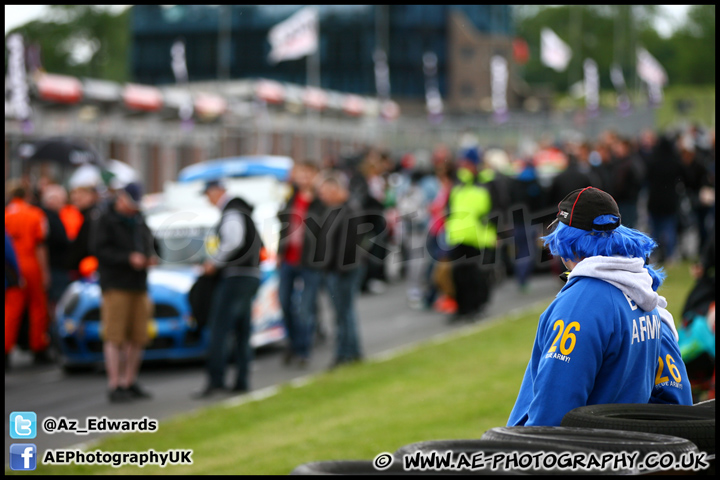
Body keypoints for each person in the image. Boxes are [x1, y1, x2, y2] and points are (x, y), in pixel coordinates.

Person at [508, 187, 691, 427]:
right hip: (623, 455)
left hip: (576, 458)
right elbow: (677, 403)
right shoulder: (647, 299)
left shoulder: (579, 306)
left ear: (567, 240)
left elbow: (551, 415)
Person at [193, 179, 262, 398]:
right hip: (249, 274)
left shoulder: (232, 212)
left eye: (208, 194)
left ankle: (216, 380)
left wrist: (214, 262)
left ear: (218, 191)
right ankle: (241, 379)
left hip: (236, 276)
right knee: (242, 330)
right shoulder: (242, 210)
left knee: (220, 329)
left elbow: (233, 241)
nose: (208, 200)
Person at [93, 182, 156, 403]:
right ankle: (115, 383)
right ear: (121, 199)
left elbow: (152, 242)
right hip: (116, 284)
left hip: (139, 284)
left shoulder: (139, 220)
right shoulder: (106, 220)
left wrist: (150, 257)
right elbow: (99, 250)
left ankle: (130, 380)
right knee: (115, 335)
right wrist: (128, 258)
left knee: (138, 335)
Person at [310, 171, 365, 368]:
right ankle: (349, 351)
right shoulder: (335, 210)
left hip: (343, 270)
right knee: (342, 312)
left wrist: (338, 268)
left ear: (335, 190)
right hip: (337, 269)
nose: (321, 196)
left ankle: (347, 352)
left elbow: (348, 245)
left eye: (324, 192)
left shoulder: (349, 210)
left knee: (343, 313)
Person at [276, 160, 321, 367]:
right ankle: (292, 344)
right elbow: (283, 225)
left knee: (305, 308)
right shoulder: (291, 197)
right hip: (288, 259)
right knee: (285, 304)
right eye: (300, 174)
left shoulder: (320, 202)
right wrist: (279, 252)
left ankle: (303, 349)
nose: (303, 178)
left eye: (307, 174)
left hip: (309, 262)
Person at [5, 180, 52, 365]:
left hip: (10, 266)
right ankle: (38, 346)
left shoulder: (6, 214)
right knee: (37, 307)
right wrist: (45, 271)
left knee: (11, 309)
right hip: (30, 262)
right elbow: (40, 245)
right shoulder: (35, 214)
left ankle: (6, 349)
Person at [444, 147, 493, 322]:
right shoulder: (458, 184)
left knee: (474, 275)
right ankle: (462, 307)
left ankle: (475, 306)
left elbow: (496, 208)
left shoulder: (486, 182)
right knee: (458, 275)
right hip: (458, 235)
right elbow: (449, 207)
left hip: (477, 236)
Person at [39, 184, 71, 316]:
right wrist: (45, 272)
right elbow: (42, 245)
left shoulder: (51, 216)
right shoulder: (48, 218)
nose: (63, 204)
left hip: (54, 268)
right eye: (61, 200)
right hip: (54, 269)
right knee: (57, 306)